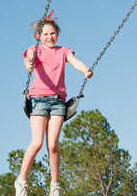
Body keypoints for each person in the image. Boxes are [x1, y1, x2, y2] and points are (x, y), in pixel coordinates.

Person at [15, 10, 93, 196]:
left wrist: (86, 71)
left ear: (58, 34)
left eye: (53, 33)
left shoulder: (63, 51)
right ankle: (21, 180)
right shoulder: (36, 49)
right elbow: (27, 60)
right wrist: (28, 65)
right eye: (45, 34)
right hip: (38, 99)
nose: (50, 37)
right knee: (36, 143)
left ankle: (55, 186)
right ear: (38, 36)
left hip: (58, 101)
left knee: (53, 145)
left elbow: (74, 61)